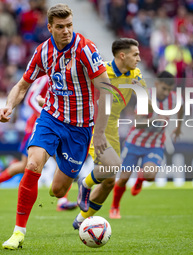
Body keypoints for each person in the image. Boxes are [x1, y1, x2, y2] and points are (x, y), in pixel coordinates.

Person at [0, 4, 111, 250]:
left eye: (69, 25)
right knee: (32, 164)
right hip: (51, 117)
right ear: (50, 28)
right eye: (60, 27)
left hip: (81, 128)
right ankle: (18, 233)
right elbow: (21, 85)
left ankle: (77, 186)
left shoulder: (85, 48)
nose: (66, 31)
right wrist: (9, 105)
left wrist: (101, 129)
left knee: (58, 191)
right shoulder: (42, 52)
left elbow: (105, 88)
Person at [73, 38, 147, 229]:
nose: (139, 58)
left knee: (109, 182)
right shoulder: (101, 72)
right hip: (93, 125)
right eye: (135, 54)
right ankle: (86, 182)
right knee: (113, 167)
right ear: (122, 56)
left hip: (112, 126)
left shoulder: (135, 74)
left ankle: (82, 220)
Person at [0, 75, 77, 211]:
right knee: (26, 165)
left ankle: (62, 200)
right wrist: (49, 117)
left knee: (62, 161)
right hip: (38, 127)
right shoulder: (45, 78)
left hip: (54, 127)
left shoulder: (65, 79)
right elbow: (30, 100)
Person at [110, 70, 184, 218]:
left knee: (150, 175)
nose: (166, 92)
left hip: (155, 143)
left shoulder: (174, 99)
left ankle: (140, 179)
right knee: (123, 178)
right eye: (164, 89)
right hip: (135, 142)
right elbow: (137, 123)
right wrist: (155, 120)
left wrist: (178, 128)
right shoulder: (146, 97)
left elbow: (181, 109)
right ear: (157, 84)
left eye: (169, 90)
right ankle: (115, 207)